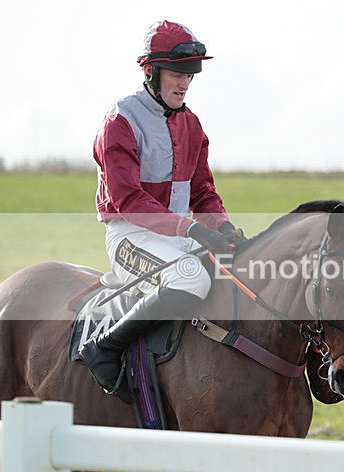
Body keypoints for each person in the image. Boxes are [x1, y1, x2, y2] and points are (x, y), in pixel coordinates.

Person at [79, 20, 241, 396]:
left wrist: (222, 227)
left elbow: (203, 193)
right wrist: (192, 229)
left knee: (239, 272)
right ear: (151, 71)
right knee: (190, 279)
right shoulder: (120, 121)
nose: (185, 83)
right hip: (130, 235)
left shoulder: (192, 125)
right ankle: (105, 347)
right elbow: (129, 201)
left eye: (190, 75)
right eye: (177, 74)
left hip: (178, 236)